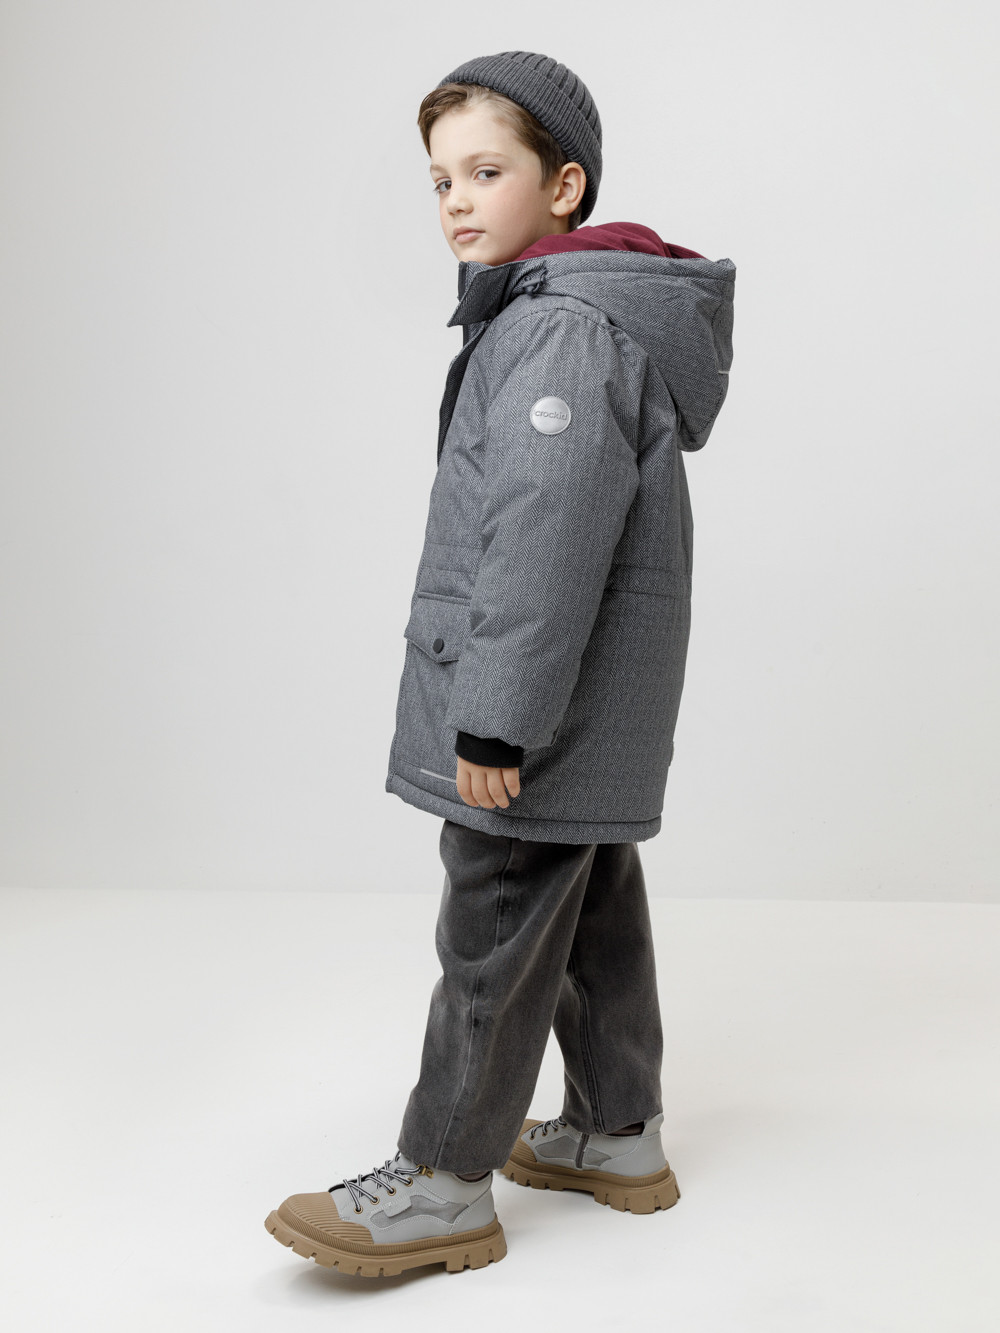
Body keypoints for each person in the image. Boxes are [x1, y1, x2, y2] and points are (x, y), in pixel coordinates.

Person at [265, 49, 736, 1279]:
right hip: (584, 703)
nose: (456, 201)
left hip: (537, 711)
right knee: (588, 899)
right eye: (439, 180)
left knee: (493, 914)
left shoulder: (562, 333)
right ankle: (615, 1133)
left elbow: (543, 539)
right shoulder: (561, 318)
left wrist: (495, 719)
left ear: (564, 185)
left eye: (487, 171)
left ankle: (441, 1182)